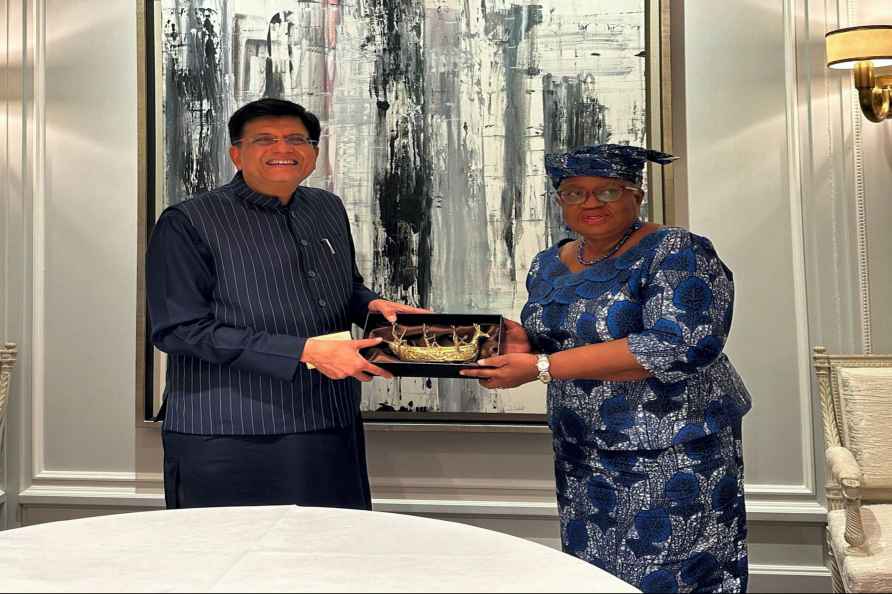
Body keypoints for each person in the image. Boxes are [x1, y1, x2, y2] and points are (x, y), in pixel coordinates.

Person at [461, 144, 752, 593]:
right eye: (574, 193)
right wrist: (510, 341)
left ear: (637, 195)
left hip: (673, 452)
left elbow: (678, 346)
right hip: (582, 451)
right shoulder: (548, 263)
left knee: (669, 578)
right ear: (560, 202)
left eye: (607, 191)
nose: (590, 203)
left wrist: (541, 364)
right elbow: (571, 340)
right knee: (593, 576)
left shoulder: (676, 250)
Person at [146, 98, 425, 510]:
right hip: (227, 431)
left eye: (296, 138)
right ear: (236, 154)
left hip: (330, 421)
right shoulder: (187, 222)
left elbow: (343, 289)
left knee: (327, 557)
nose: (283, 149)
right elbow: (180, 330)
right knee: (230, 562)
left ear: (312, 152)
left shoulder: (327, 208)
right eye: (265, 140)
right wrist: (305, 351)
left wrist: (375, 308)